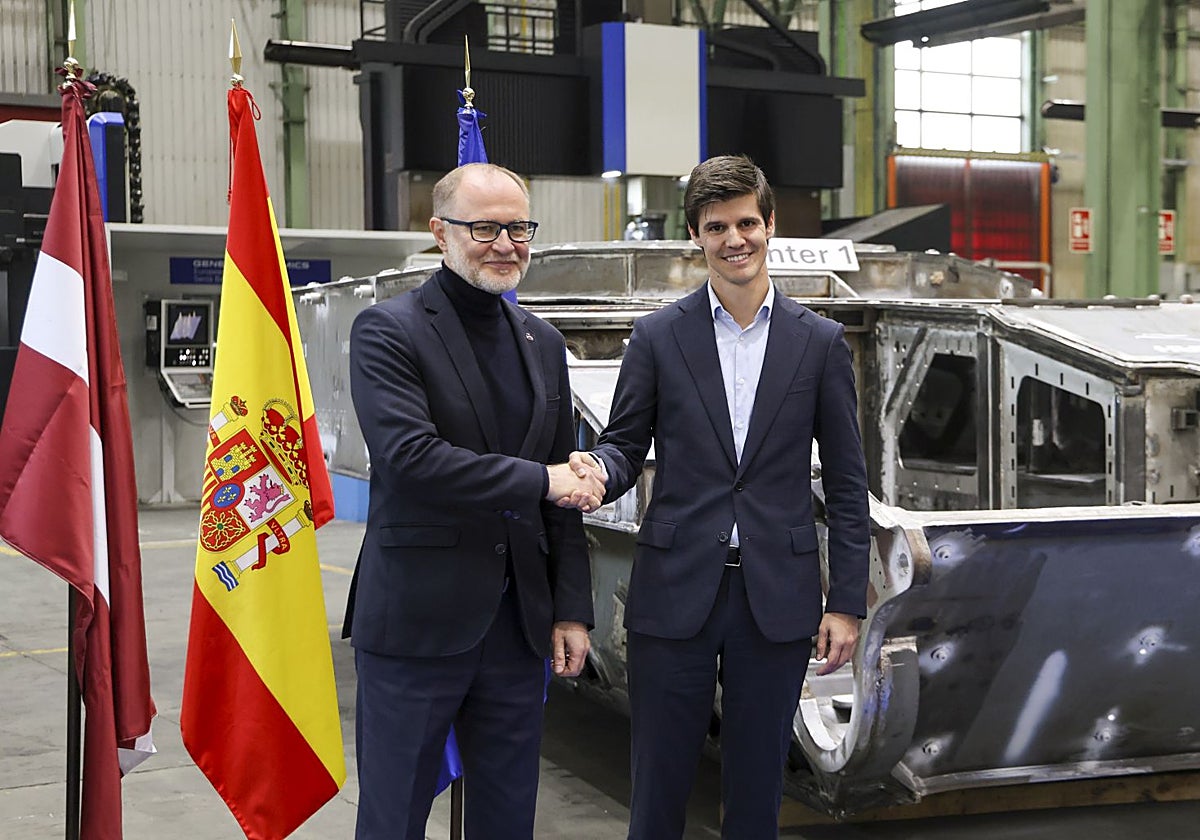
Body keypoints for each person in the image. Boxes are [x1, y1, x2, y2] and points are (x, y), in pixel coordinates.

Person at [568, 155, 870, 839]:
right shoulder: (657, 336)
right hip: (675, 588)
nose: (734, 239)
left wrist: (846, 602)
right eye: (716, 227)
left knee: (757, 787)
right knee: (659, 782)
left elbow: (849, 486)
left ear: (770, 225)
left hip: (778, 595)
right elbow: (624, 444)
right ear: (696, 239)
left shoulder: (819, 344)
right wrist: (592, 473)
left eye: (745, 223)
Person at [344, 162, 600, 840]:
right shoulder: (388, 331)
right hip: (417, 625)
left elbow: (563, 492)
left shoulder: (542, 344)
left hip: (516, 632)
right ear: (440, 232)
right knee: (393, 818)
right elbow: (412, 460)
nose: (505, 243)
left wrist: (571, 607)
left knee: (507, 819)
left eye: (519, 228)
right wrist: (545, 478)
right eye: (484, 227)